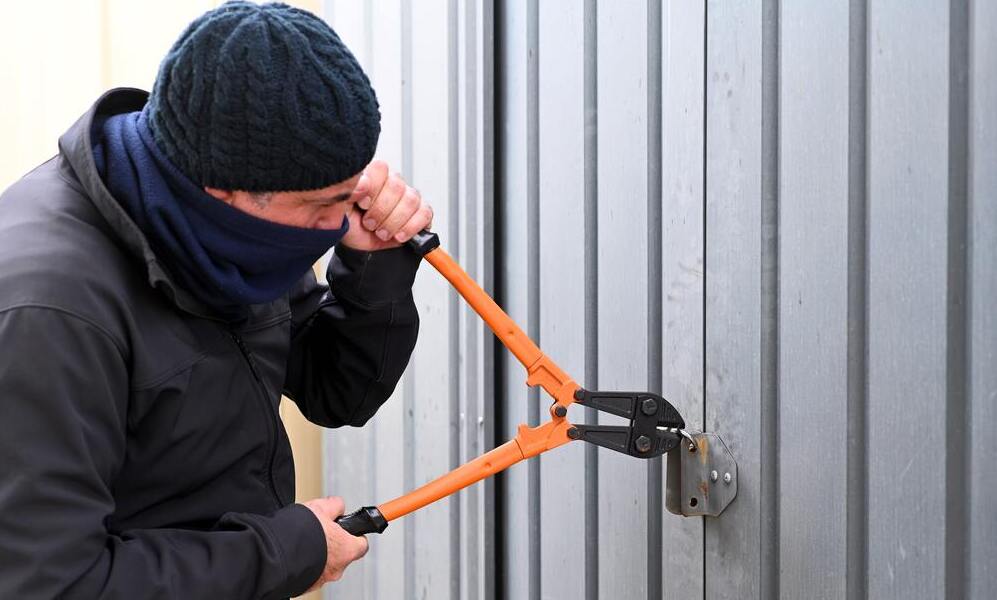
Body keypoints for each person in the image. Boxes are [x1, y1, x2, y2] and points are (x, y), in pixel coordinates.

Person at [0, 2, 431, 597]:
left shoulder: (221, 227)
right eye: (323, 205)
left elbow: (335, 390)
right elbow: (49, 584)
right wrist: (283, 554)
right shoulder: (49, 311)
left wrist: (372, 264)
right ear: (226, 190)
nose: (341, 220)